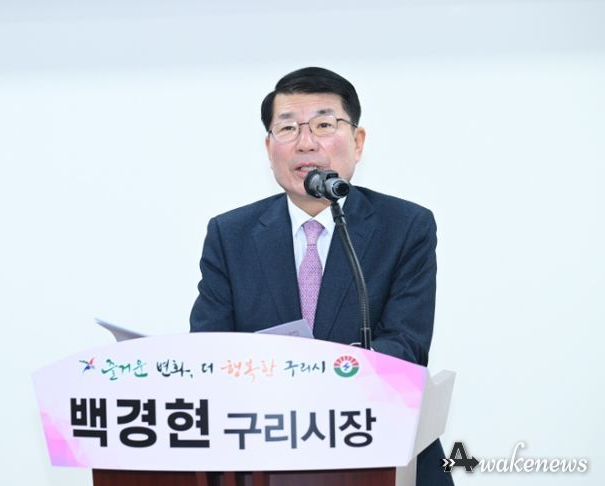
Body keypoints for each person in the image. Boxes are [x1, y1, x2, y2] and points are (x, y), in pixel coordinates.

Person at [190, 67, 453, 486]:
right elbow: (209, 349)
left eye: (324, 125)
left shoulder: (405, 226)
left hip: (377, 446)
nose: (306, 143)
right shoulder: (230, 234)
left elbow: (406, 345)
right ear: (269, 147)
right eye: (288, 128)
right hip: (263, 453)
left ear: (357, 141)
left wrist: (319, 375)